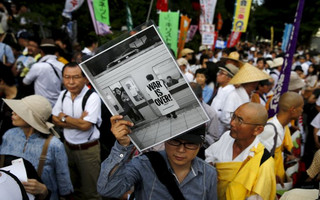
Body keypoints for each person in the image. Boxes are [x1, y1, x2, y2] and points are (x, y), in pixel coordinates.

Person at [97, 115, 218, 199]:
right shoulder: (144, 164)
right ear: (165, 140)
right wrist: (122, 146)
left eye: (190, 144)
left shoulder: (209, 174)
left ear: (200, 145)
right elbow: (107, 189)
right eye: (175, 141)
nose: (181, 150)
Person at [0, 95, 73, 200]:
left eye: (20, 111)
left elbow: (64, 183)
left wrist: (44, 190)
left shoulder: (54, 145)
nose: (13, 112)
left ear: (32, 118)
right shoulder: (9, 135)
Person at [205, 102, 276, 200]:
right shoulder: (227, 137)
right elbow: (209, 155)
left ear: (258, 130)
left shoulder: (263, 163)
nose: (232, 123)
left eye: (240, 120)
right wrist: (211, 168)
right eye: (233, 116)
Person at [52, 62, 102, 200]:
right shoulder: (63, 95)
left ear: (85, 79)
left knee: (91, 193)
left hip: (88, 151)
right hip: (67, 149)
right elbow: (54, 119)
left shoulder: (92, 97)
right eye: (67, 77)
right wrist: (77, 121)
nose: (71, 82)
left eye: (76, 77)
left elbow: (86, 126)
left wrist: (64, 118)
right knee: (73, 189)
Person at [259, 92, 304, 185]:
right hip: (267, 180)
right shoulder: (270, 129)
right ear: (293, 110)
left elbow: (274, 151)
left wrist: (286, 156)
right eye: (301, 107)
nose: (302, 110)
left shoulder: (283, 126)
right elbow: (259, 159)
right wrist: (271, 176)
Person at [220, 63, 270, 133]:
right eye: (255, 81)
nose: (257, 83)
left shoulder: (253, 96)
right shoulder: (233, 95)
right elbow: (225, 118)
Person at [22, 38, 64, 106]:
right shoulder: (62, 65)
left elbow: (25, 82)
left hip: (41, 106)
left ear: (41, 51)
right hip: (58, 105)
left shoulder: (37, 66)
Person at [210, 63, 239, 134]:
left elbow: (226, 117)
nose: (218, 74)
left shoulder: (231, 92)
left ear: (229, 78)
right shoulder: (221, 89)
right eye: (219, 72)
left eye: (222, 73)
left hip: (220, 131)